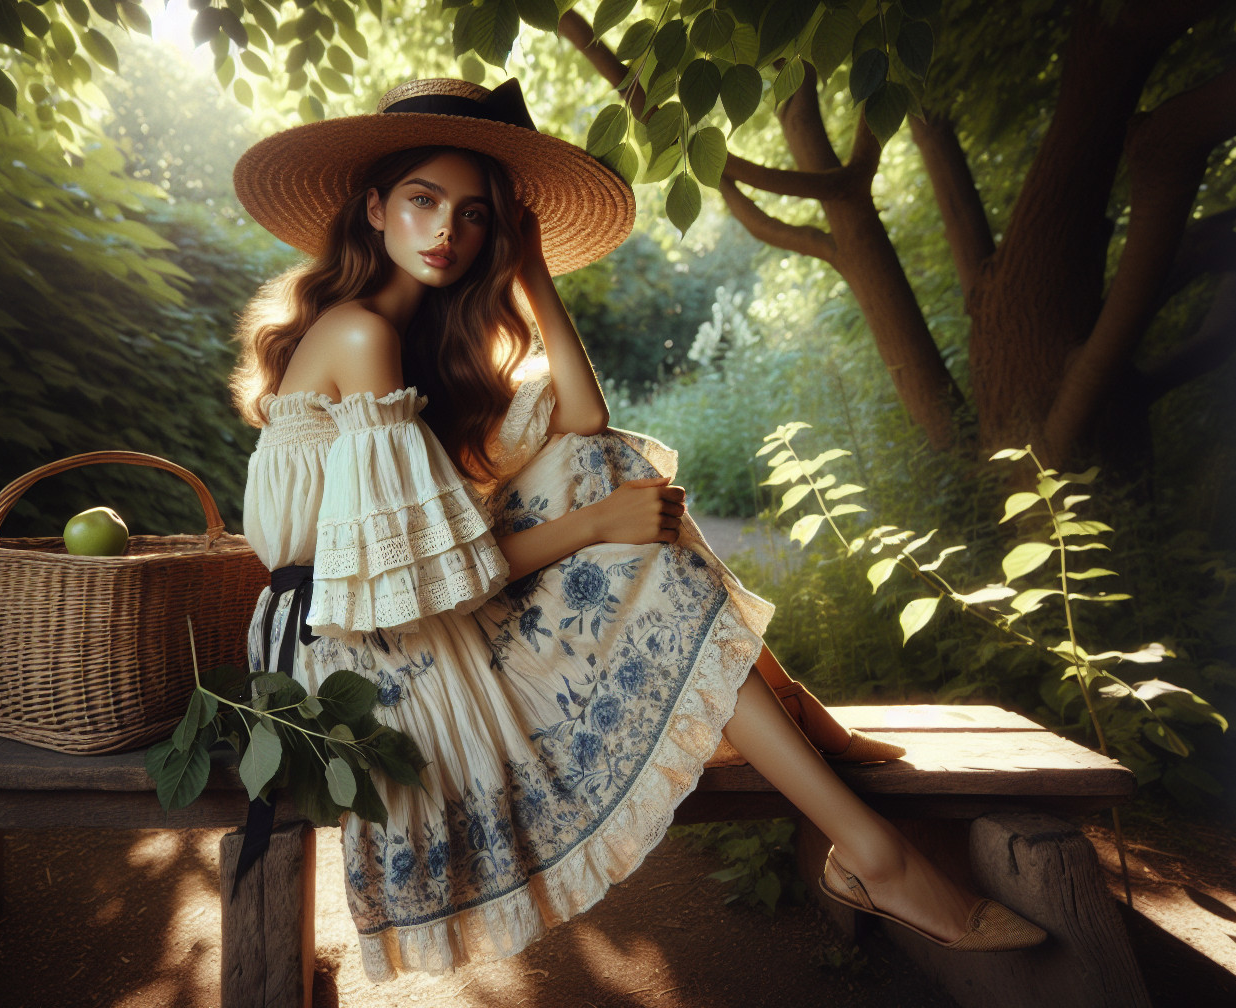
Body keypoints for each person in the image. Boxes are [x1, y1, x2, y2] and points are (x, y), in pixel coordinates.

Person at [229, 77, 1046, 983]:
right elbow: (427, 586)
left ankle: (822, 764)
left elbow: (584, 421)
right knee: (622, 531)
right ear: (375, 208)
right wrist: (593, 528)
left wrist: (534, 274)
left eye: (474, 215)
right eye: (423, 201)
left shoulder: (413, 340)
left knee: (600, 462)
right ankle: (868, 843)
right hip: (351, 652)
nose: (446, 231)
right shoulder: (358, 335)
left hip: (401, 613)